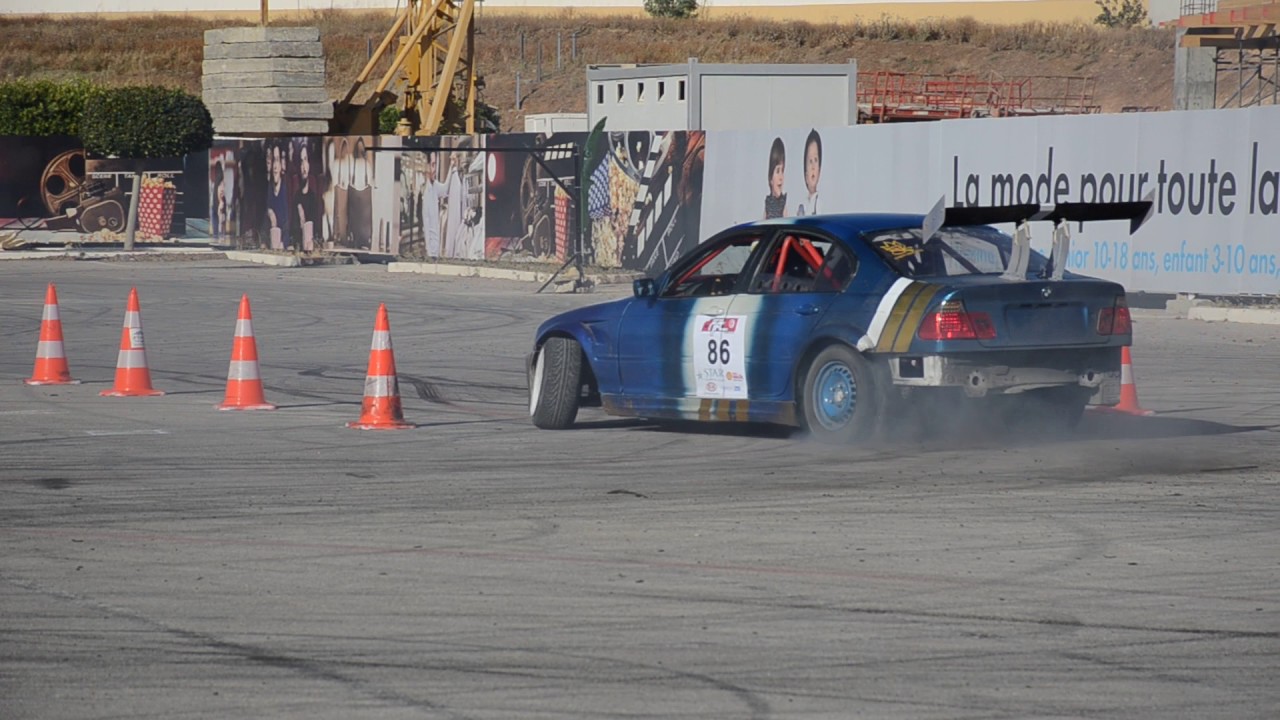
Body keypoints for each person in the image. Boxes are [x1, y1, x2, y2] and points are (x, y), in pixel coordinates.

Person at [420, 151, 449, 260]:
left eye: (436, 164)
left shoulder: (435, 185)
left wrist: (452, 168)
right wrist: (430, 250)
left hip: (436, 247)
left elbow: (445, 189)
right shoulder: (427, 192)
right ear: (427, 167)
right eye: (432, 165)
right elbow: (427, 226)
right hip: (432, 249)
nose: (435, 169)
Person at [798, 129, 822, 217]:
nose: (813, 167)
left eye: (815, 160)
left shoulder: (819, 203)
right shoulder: (802, 203)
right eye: (810, 161)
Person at [764, 137, 786, 219]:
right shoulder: (768, 203)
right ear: (771, 179)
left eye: (782, 171)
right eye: (777, 171)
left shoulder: (783, 203)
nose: (781, 177)